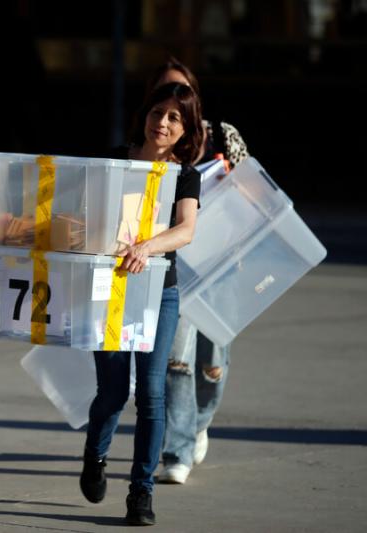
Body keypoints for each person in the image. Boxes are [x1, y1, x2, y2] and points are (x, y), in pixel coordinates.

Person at [79, 82, 203, 526]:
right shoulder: (114, 159)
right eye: (158, 112)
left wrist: (147, 247)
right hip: (107, 288)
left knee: (152, 393)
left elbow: (186, 230)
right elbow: (82, 211)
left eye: (174, 117)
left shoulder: (185, 174)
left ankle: (141, 494)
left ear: (185, 128)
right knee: (112, 391)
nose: (163, 123)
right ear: (145, 115)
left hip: (159, 291)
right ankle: (95, 457)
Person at [145, 58, 250, 485]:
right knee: (178, 361)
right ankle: (179, 450)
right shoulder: (156, 145)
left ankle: (199, 422)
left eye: (180, 93)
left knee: (213, 363)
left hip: (222, 261)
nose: (171, 105)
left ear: (193, 97)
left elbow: (253, 191)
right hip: (178, 266)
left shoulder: (223, 136)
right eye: (164, 93)